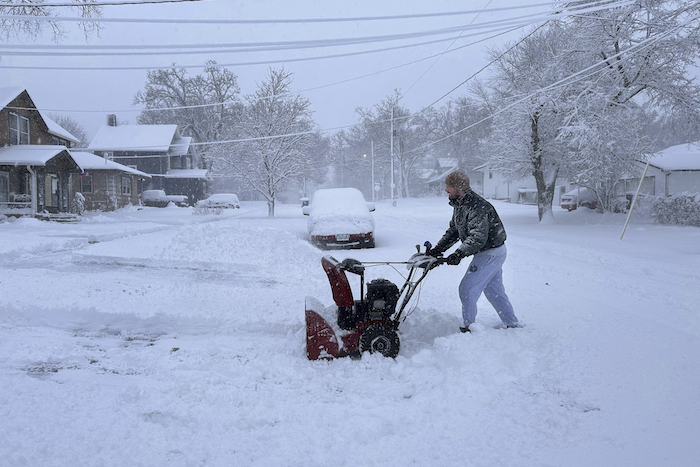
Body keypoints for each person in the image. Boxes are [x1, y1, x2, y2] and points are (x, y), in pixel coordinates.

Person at [429, 169, 520, 333]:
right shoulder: (460, 204)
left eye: (449, 186)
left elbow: (478, 237)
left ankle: (468, 327)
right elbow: (454, 231)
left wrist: (459, 254)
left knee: (467, 288)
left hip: (491, 252)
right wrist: (437, 250)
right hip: (491, 251)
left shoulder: (476, 206)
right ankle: (512, 324)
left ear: (459, 187)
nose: (446, 190)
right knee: (494, 291)